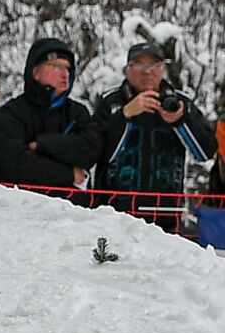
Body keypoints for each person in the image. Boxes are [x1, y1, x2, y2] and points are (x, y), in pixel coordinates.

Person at [92, 42, 216, 229]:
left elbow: (205, 152)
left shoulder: (180, 102)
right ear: (127, 70)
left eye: (154, 65)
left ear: (163, 69)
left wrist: (179, 121)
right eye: (139, 64)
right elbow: (96, 150)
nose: (147, 71)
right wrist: (125, 114)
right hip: (113, 214)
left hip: (164, 215)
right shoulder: (111, 102)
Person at [0, 38, 102, 193]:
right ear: (35, 72)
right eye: (56, 67)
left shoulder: (78, 112)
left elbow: (90, 151)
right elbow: (16, 164)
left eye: (68, 69)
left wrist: (43, 144)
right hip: (24, 208)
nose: (65, 74)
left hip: (75, 211)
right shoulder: (12, 112)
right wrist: (69, 174)